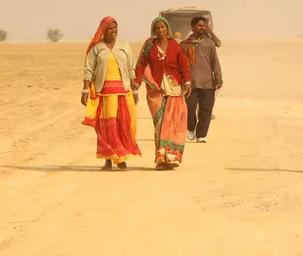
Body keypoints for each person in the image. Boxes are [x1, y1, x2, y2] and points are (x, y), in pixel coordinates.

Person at [82, 16, 142, 171]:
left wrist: (135, 90)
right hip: (103, 93)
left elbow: (131, 68)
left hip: (123, 92)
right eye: (110, 28)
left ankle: (121, 158)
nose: (113, 31)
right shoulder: (97, 48)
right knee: (106, 127)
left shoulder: (124, 45)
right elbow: (89, 69)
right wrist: (85, 89)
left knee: (122, 124)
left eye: (115, 28)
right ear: (103, 31)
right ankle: (108, 159)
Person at [133, 17, 192, 170]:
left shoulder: (175, 45)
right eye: (157, 28)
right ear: (153, 31)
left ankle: (171, 157)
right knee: (160, 124)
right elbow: (140, 65)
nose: (160, 31)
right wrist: (137, 83)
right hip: (156, 90)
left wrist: (187, 82)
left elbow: (184, 65)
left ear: (167, 30)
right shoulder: (149, 47)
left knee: (173, 123)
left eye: (163, 28)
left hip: (175, 89)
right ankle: (160, 159)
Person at [180, 16, 223, 143]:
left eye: (204, 25)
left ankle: (201, 135)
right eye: (199, 25)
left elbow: (215, 62)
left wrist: (219, 78)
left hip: (207, 82)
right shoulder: (184, 44)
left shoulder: (210, 44)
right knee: (190, 107)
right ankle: (191, 128)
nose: (202, 28)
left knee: (206, 109)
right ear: (192, 27)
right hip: (190, 83)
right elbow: (179, 64)